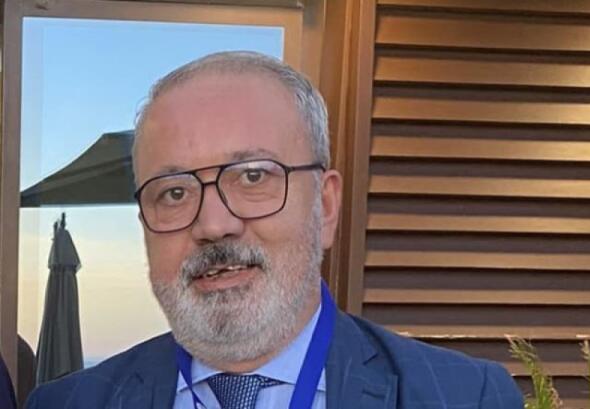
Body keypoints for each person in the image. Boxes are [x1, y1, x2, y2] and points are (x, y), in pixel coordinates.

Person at [25, 51, 523, 409]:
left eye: (252, 177)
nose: (214, 225)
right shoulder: (67, 403)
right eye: (174, 193)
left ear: (325, 207)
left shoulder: (464, 397)